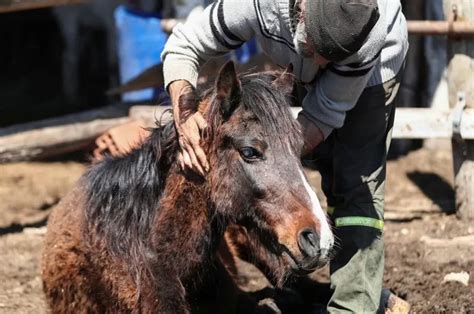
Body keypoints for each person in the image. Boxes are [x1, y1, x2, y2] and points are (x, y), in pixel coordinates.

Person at [99, 0, 410, 312]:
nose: (321, 66)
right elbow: (184, 45)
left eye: (330, 59)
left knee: (355, 184)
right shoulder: (253, 5)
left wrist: (269, 159)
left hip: (371, 75)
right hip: (297, 54)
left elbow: (324, 115)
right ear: (300, 12)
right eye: (316, 50)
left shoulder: (368, 39)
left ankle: (353, 305)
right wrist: (185, 116)